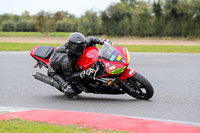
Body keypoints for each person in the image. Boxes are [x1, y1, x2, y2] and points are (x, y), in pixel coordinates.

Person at [49, 32, 104, 98]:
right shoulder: (66, 61)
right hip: (56, 70)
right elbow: (70, 77)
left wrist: (102, 41)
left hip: (71, 62)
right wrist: (84, 72)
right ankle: (65, 87)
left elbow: (90, 39)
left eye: (81, 46)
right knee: (70, 91)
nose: (78, 48)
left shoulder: (82, 44)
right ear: (70, 45)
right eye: (75, 46)